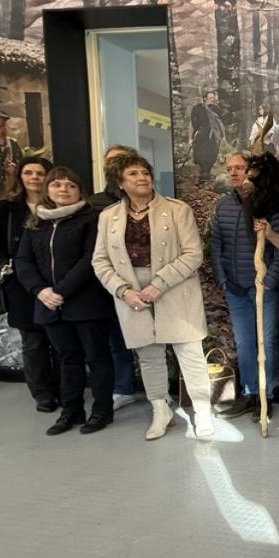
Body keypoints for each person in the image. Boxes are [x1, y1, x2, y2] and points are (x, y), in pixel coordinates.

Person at [92, 152, 215, 440]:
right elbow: (100, 261)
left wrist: (159, 283)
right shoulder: (107, 217)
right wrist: (123, 291)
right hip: (131, 293)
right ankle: (161, 409)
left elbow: (193, 254)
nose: (142, 178)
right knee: (148, 356)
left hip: (175, 288)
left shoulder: (177, 209)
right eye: (133, 174)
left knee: (190, 353)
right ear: (120, 183)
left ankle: (202, 409)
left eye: (145, 172)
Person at [15, 168, 116, 436]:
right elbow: (23, 261)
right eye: (57, 185)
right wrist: (40, 290)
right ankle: (71, 411)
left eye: (70, 185)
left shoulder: (92, 219)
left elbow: (91, 259)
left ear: (79, 191)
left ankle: (102, 410)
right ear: (47, 189)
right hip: (48, 304)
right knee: (66, 359)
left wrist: (60, 291)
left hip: (86, 303)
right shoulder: (36, 222)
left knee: (97, 358)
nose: (63, 190)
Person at [211, 152, 279, 423]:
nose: (233, 173)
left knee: (266, 342)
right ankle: (250, 392)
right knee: (244, 344)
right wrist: (222, 280)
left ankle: (268, 394)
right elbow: (216, 245)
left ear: (253, 173)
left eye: (240, 168)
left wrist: (269, 282)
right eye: (229, 168)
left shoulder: (270, 207)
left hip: (263, 289)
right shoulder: (223, 206)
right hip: (236, 288)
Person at [0, 155, 59, 412]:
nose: (34, 177)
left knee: (61, 338)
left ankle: (66, 386)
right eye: (29, 173)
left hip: (56, 281)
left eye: (40, 173)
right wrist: (3, 265)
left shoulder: (60, 204)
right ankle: (43, 393)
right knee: (34, 341)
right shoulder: (3, 208)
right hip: (21, 284)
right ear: (20, 177)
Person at [89, 144, 146, 411]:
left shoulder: (151, 202)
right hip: (113, 283)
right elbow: (95, 250)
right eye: (113, 162)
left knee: (151, 340)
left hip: (147, 282)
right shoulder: (97, 204)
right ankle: (124, 386)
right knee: (117, 337)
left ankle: (157, 389)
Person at [188, 90, 223, 180]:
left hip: (213, 136)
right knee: (200, 154)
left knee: (212, 155)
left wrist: (223, 137)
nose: (212, 100)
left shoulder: (216, 109)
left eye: (213, 98)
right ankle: (202, 174)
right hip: (200, 136)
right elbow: (192, 124)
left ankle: (207, 174)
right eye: (210, 98)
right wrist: (190, 138)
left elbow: (220, 124)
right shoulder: (197, 108)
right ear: (205, 98)